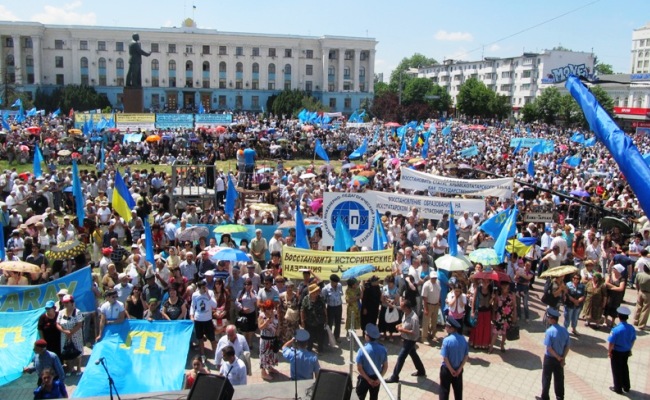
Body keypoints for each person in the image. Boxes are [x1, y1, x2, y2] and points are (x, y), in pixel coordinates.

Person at [385, 299, 426, 383]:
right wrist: (399, 325)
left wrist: (402, 330)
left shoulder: (414, 318)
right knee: (413, 354)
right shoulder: (405, 313)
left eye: (402, 307)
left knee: (401, 357)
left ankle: (395, 376)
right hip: (406, 339)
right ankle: (421, 370)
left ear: (407, 308)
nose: (401, 308)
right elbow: (404, 322)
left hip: (410, 340)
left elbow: (414, 332)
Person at [538, 308, 570, 400]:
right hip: (560, 358)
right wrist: (562, 358)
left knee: (546, 378)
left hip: (550, 358)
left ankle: (545, 397)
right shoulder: (564, 330)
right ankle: (560, 397)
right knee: (559, 379)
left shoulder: (549, 331)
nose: (547, 319)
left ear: (552, 319)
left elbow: (549, 348)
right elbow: (567, 346)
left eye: (548, 317)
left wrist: (557, 357)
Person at [607, 306, 636, 394]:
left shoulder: (616, 329)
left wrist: (609, 352)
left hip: (617, 352)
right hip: (626, 351)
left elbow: (611, 343)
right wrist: (630, 349)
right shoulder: (631, 328)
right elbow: (633, 339)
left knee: (616, 370)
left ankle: (618, 388)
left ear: (618, 316)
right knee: (624, 368)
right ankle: (626, 386)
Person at [355, 324, 388, 400]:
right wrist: (379, 379)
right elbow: (385, 366)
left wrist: (368, 380)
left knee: (359, 397)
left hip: (364, 378)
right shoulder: (383, 349)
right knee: (374, 397)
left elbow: (359, 368)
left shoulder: (362, 350)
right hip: (376, 378)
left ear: (368, 336)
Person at [439, 317, 469, 400]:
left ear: (451, 328)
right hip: (458, 371)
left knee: (444, 391)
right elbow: (466, 356)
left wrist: (451, 370)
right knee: (458, 392)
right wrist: (459, 369)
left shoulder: (446, 340)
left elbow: (445, 357)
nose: (445, 327)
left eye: (446, 326)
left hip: (447, 370)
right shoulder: (463, 339)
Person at [190, 280, 217, 363]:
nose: (203, 289)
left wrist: (208, 295)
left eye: (204, 287)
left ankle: (216, 354)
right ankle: (202, 355)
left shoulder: (211, 293)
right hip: (198, 319)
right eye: (201, 288)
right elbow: (192, 306)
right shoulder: (195, 295)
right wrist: (191, 315)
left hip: (208, 319)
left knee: (212, 338)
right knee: (200, 338)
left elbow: (214, 305)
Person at [56, 295, 84, 375]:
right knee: (67, 351)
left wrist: (71, 332)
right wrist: (65, 331)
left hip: (76, 335)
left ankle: (78, 368)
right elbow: (57, 324)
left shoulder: (77, 312)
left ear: (72, 303)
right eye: (64, 303)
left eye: (67, 302)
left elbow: (79, 324)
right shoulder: (61, 312)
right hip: (64, 335)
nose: (65, 304)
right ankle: (70, 368)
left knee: (77, 351)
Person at [490, 280, 517, 354]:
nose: (504, 286)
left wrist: (514, 316)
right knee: (495, 332)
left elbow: (514, 306)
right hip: (499, 315)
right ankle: (491, 346)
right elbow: (495, 305)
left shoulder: (512, 294)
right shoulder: (497, 293)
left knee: (505, 332)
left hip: (508, 316)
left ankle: (502, 345)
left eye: (506, 284)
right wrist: (493, 314)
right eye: (503, 284)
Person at [301, 283, 328, 353]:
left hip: (320, 321)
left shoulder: (321, 298)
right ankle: (309, 349)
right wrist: (302, 321)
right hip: (309, 322)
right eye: (315, 292)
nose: (316, 293)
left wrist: (326, 319)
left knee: (320, 336)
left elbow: (324, 308)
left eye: (317, 291)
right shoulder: (306, 299)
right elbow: (302, 310)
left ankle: (320, 349)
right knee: (309, 337)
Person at [258, 299, 279, 380]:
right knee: (264, 356)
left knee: (272, 355)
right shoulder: (262, 315)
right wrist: (266, 323)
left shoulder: (275, 313)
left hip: (273, 339)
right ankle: (263, 373)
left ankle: (270, 368)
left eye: (271, 308)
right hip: (265, 339)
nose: (270, 310)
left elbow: (278, 323)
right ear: (264, 308)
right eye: (268, 308)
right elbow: (260, 327)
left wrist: (278, 331)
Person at [322, 274, 344, 343]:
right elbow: (323, 300)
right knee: (330, 323)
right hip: (330, 308)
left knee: (338, 322)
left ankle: (337, 336)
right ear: (331, 281)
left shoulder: (339, 285)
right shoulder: (325, 289)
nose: (336, 284)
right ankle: (329, 338)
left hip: (339, 306)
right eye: (334, 282)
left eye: (337, 282)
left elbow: (341, 294)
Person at [421, 271, 441, 344]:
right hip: (429, 305)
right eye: (433, 278)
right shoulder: (426, 285)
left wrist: (439, 302)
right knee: (426, 322)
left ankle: (432, 334)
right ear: (430, 277)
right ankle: (424, 337)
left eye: (435, 278)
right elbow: (424, 297)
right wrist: (425, 308)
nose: (434, 279)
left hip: (436, 304)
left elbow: (439, 292)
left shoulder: (438, 282)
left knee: (434, 321)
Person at [633, 264, 650, 330]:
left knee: (638, 307)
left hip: (640, 291)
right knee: (645, 310)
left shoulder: (639, 274)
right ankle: (642, 325)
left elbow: (636, 283)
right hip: (648, 294)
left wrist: (638, 290)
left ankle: (636, 321)